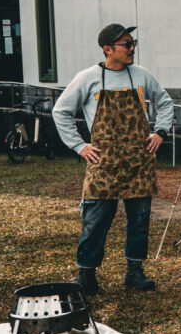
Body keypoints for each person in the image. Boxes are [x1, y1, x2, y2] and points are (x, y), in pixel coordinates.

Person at [53, 24, 174, 294]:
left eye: (133, 43)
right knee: (95, 222)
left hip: (139, 163)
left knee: (140, 221)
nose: (132, 49)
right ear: (108, 49)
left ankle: (135, 272)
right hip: (103, 164)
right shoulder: (88, 78)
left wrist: (161, 132)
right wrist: (79, 145)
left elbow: (165, 103)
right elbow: (60, 111)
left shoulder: (141, 75)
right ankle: (86, 275)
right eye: (126, 45)